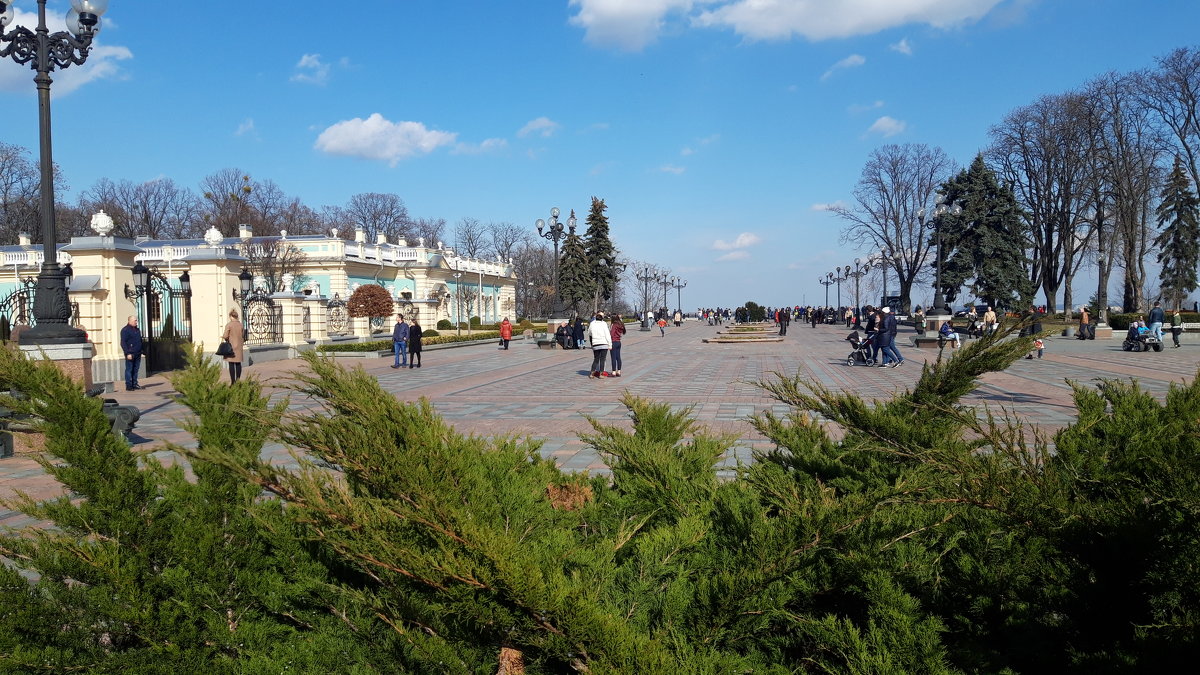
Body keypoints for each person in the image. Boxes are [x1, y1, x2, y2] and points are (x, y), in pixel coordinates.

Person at [221, 309, 245, 384]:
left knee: (231, 364)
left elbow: (225, 336)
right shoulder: (241, 325)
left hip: (231, 347)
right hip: (239, 347)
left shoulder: (229, 325)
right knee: (238, 364)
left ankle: (233, 382)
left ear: (231, 316)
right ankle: (238, 380)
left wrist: (224, 337)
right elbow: (243, 335)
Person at [120, 315, 143, 391]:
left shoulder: (137, 330)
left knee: (136, 369)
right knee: (129, 369)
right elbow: (123, 343)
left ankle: (134, 383)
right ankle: (129, 385)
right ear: (129, 321)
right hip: (130, 353)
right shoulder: (125, 330)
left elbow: (139, 341)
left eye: (136, 320)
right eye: (134, 321)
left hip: (138, 353)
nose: (136, 322)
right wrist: (127, 353)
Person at [587, 312, 612, 379]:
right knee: (602, 359)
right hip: (604, 343)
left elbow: (589, 333)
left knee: (596, 359)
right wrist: (610, 344)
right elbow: (607, 334)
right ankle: (601, 374)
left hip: (595, 343)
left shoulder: (592, 324)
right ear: (602, 318)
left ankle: (592, 373)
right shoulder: (604, 324)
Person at [609, 312, 626, 377]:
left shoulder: (614, 325)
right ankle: (619, 371)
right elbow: (624, 331)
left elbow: (612, 334)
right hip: (618, 341)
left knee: (613, 357)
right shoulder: (620, 324)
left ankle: (613, 372)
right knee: (618, 357)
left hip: (613, 341)